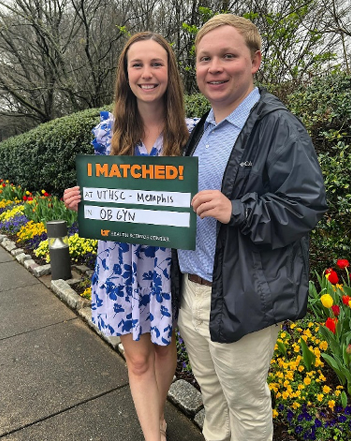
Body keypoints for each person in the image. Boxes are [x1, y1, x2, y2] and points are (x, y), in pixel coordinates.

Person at [176, 14, 328, 441]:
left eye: (228, 55)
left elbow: (305, 207)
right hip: (193, 291)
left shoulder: (278, 126)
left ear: (256, 60)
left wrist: (237, 209)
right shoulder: (201, 128)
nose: (215, 67)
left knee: (245, 402)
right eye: (205, 58)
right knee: (212, 395)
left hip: (242, 294)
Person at [63, 32, 198, 441]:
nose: (146, 73)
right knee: (138, 360)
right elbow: (105, 193)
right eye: (136, 64)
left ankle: (156, 417)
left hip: (167, 263)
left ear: (170, 72)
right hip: (120, 261)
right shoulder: (107, 134)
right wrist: (84, 199)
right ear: (125, 73)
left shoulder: (192, 134)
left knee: (162, 349)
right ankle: (152, 435)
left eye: (156, 64)